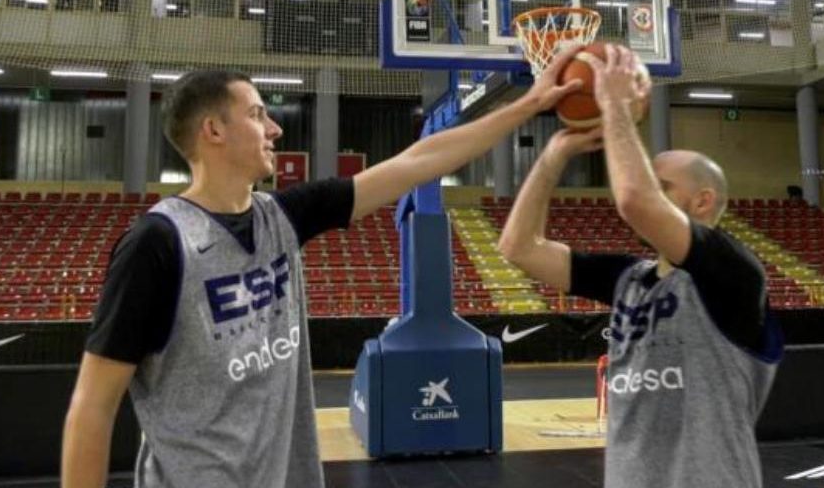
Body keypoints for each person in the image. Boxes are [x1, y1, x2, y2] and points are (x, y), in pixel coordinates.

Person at [60, 61, 582, 488]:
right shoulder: (156, 244)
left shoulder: (283, 217)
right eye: (258, 114)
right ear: (213, 130)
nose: (275, 129)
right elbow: (93, 405)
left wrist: (530, 105)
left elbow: (419, 162)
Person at [498, 44, 783, 488]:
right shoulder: (628, 279)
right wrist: (552, 158)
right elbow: (518, 247)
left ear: (702, 201)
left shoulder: (734, 273)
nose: (646, 188)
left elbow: (634, 200)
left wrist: (613, 105)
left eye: (662, 185)